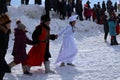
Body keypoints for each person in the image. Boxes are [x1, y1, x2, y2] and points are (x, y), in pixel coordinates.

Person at [0, 14, 11, 80]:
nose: (10, 24)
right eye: (8, 23)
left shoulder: (5, 33)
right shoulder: (1, 34)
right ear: (4, 24)